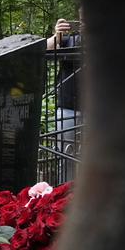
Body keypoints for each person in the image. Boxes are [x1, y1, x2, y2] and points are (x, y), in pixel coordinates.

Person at [45, 10, 84, 182]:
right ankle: (63, 196)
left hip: (97, 111)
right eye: (81, 19)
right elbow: (46, 50)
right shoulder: (69, 40)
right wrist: (57, 35)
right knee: (64, 155)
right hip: (67, 108)